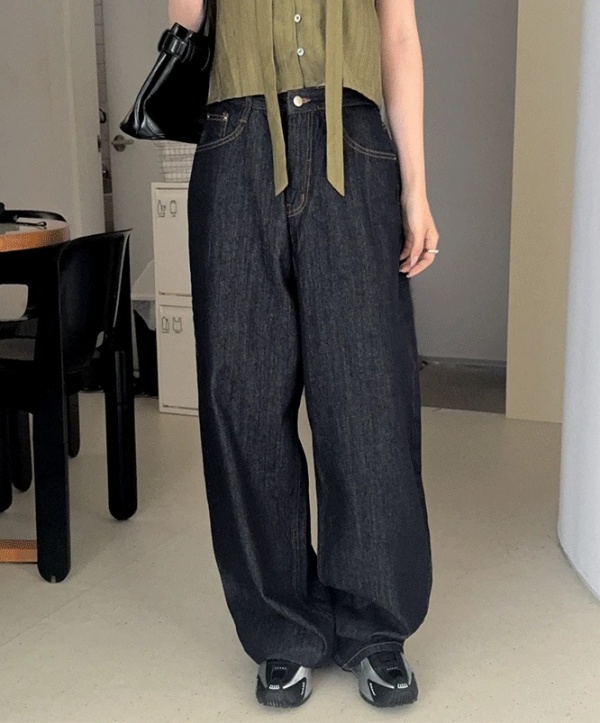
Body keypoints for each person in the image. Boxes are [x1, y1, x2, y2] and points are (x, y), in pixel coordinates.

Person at [169, 0, 439, 709]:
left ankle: (376, 625)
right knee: (243, 395)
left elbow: (399, 35)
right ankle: (281, 627)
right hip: (236, 142)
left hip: (354, 138)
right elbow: (186, 17)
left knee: (367, 395)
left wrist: (416, 188)